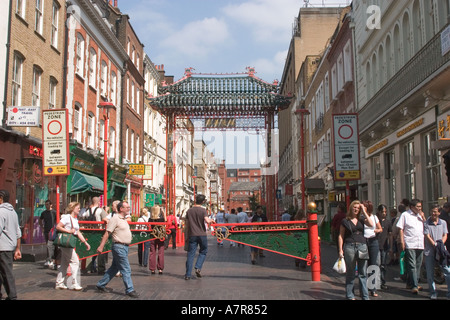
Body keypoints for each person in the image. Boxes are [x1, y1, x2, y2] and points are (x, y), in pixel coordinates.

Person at [96, 201, 139, 298]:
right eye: (127, 207)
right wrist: (101, 246)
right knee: (126, 268)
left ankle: (101, 284)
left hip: (124, 247)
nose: (129, 208)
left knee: (114, 268)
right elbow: (107, 233)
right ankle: (130, 289)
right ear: (121, 209)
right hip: (119, 246)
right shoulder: (115, 218)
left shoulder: (123, 219)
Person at [338, 200, 374, 300]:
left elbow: (371, 224)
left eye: (358, 208)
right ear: (351, 208)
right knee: (351, 272)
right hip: (350, 246)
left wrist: (364, 211)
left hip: (362, 246)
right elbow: (341, 235)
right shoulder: (345, 221)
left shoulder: (362, 219)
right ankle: (350, 295)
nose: (356, 209)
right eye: (354, 207)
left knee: (363, 273)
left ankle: (365, 296)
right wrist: (340, 250)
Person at [55, 202, 90, 291]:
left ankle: (59, 283)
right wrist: (69, 231)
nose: (79, 209)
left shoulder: (75, 219)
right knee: (75, 262)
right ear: (73, 208)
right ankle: (73, 283)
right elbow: (58, 227)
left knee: (64, 263)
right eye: (78, 208)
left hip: (69, 243)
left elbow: (77, 232)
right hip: (66, 243)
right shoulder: (67, 217)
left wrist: (85, 242)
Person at [396, 198, 426, 294]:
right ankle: (414, 285)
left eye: (420, 207)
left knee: (418, 264)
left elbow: (426, 226)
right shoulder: (405, 215)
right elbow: (400, 229)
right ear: (412, 207)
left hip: (420, 243)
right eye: (418, 207)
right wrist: (402, 242)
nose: (419, 208)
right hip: (410, 242)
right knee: (412, 265)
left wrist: (423, 217)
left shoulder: (420, 216)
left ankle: (411, 282)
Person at [184, 194, 213, 280]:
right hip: (202, 234)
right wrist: (211, 220)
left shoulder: (189, 211)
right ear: (203, 201)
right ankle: (198, 267)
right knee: (203, 251)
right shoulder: (203, 210)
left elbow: (187, 222)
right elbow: (207, 221)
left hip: (192, 234)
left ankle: (187, 274)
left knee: (190, 254)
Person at [424, 204, 450, 299]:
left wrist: (440, 245)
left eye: (435, 211)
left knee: (447, 271)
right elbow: (427, 236)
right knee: (430, 272)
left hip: (441, 251)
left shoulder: (443, 223)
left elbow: (445, 235)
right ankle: (433, 292)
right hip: (430, 251)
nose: (433, 213)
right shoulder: (426, 223)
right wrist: (434, 244)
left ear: (439, 212)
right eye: (432, 211)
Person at [0, 190, 22, 300]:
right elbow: (18, 232)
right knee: (3, 271)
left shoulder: (1, 212)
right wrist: (18, 248)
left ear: (0, 199)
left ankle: (12, 295)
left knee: (7, 272)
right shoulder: (13, 212)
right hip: (9, 247)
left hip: (2, 247)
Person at [362, 200, 382, 297]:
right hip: (363, 241)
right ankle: (364, 288)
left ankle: (372, 288)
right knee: (364, 265)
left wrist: (376, 230)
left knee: (373, 265)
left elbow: (380, 228)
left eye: (364, 206)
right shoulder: (361, 218)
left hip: (373, 241)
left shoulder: (374, 217)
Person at [376, 204, 392, 290]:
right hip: (377, 246)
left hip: (385, 246)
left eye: (385, 212)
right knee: (377, 264)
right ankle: (377, 282)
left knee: (383, 265)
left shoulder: (388, 222)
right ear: (378, 212)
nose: (384, 213)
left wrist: (391, 246)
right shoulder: (376, 221)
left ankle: (382, 281)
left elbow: (390, 234)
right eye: (382, 212)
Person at [39, 200, 56, 268]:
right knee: (48, 245)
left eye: (48, 204)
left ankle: (52, 259)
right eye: (46, 205)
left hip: (53, 231)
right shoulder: (44, 213)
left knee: (52, 245)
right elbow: (40, 220)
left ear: (51, 205)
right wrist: (42, 226)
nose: (46, 206)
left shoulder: (54, 212)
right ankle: (48, 259)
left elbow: (58, 220)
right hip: (46, 230)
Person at [149, 206, 166, 274]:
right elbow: (165, 222)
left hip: (152, 235)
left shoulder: (150, 219)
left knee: (152, 252)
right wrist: (163, 213)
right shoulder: (161, 219)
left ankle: (152, 269)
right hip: (160, 236)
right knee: (160, 252)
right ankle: (160, 268)